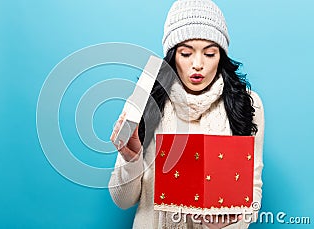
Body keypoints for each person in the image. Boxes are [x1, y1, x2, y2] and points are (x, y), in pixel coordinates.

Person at [109, 0, 264, 228]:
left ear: (221, 56)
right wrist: (129, 159)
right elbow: (123, 201)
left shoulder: (248, 104)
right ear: (172, 56)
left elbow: (252, 191)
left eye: (210, 54)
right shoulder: (145, 101)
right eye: (186, 53)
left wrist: (226, 224)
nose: (198, 64)